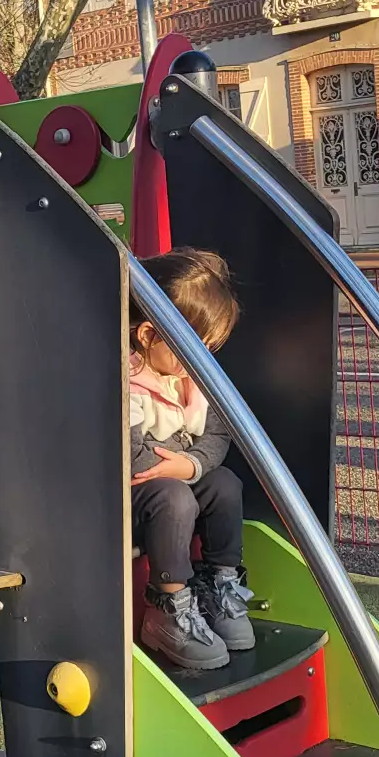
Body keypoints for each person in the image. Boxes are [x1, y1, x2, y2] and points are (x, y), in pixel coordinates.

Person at [130, 247, 252, 671]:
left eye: (208, 348)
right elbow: (130, 456)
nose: (198, 360)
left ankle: (220, 586)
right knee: (175, 497)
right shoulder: (128, 379)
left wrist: (192, 465)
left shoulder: (192, 376)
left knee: (225, 485)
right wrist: (177, 469)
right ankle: (168, 607)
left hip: (174, 474)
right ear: (148, 335)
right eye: (190, 347)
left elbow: (218, 434)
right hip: (131, 493)